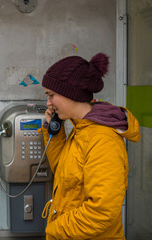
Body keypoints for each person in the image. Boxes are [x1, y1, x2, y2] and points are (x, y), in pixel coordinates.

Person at [39, 53, 140, 239]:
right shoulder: (81, 129)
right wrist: (53, 130)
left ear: (70, 93)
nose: (48, 103)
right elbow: (63, 173)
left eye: (51, 95)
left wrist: (55, 229)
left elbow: (101, 213)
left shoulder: (102, 139)